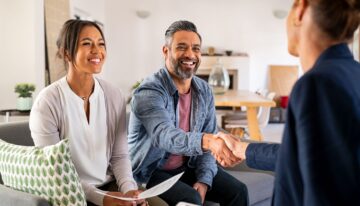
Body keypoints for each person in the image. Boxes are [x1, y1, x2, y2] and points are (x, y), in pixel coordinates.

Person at [216, 0, 360, 205]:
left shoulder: (318, 84)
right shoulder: (353, 73)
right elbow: (306, 157)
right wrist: (243, 149)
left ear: (300, 10)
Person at [127, 20, 248, 206]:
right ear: (166, 51)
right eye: (181, 47)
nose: (190, 54)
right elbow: (164, 136)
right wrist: (208, 140)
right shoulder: (149, 91)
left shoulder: (204, 90)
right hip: (151, 172)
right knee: (190, 198)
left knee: (239, 191)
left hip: (186, 167)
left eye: (196, 49)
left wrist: (204, 180)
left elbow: (208, 147)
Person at [29, 19, 147, 206]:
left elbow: (120, 156)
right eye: (86, 43)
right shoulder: (47, 102)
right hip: (69, 194)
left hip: (110, 186)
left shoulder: (113, 95)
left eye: (101, 44)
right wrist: (104, 200)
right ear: (67, 53)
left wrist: (129, 190)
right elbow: (55, 171)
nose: (97, 51)